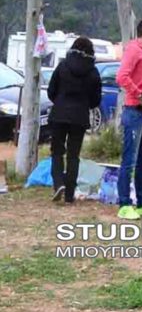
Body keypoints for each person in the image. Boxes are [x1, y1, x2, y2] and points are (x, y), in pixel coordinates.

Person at [47, 37, 101, 204]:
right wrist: (84, 104)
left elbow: (51, 90)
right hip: (79, 117)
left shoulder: (63, 66)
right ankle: (70, 194)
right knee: (73, 155)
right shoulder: (93, 71)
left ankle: (58, 184)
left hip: (59, 114)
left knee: (57, 152)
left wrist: (60, 101)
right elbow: (96, 100)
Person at [115, 18, 142, 220]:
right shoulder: (133, 50)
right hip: (134, 110)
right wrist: (138, 93)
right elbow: (122, 76)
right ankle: (124, 203)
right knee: (129, 159)